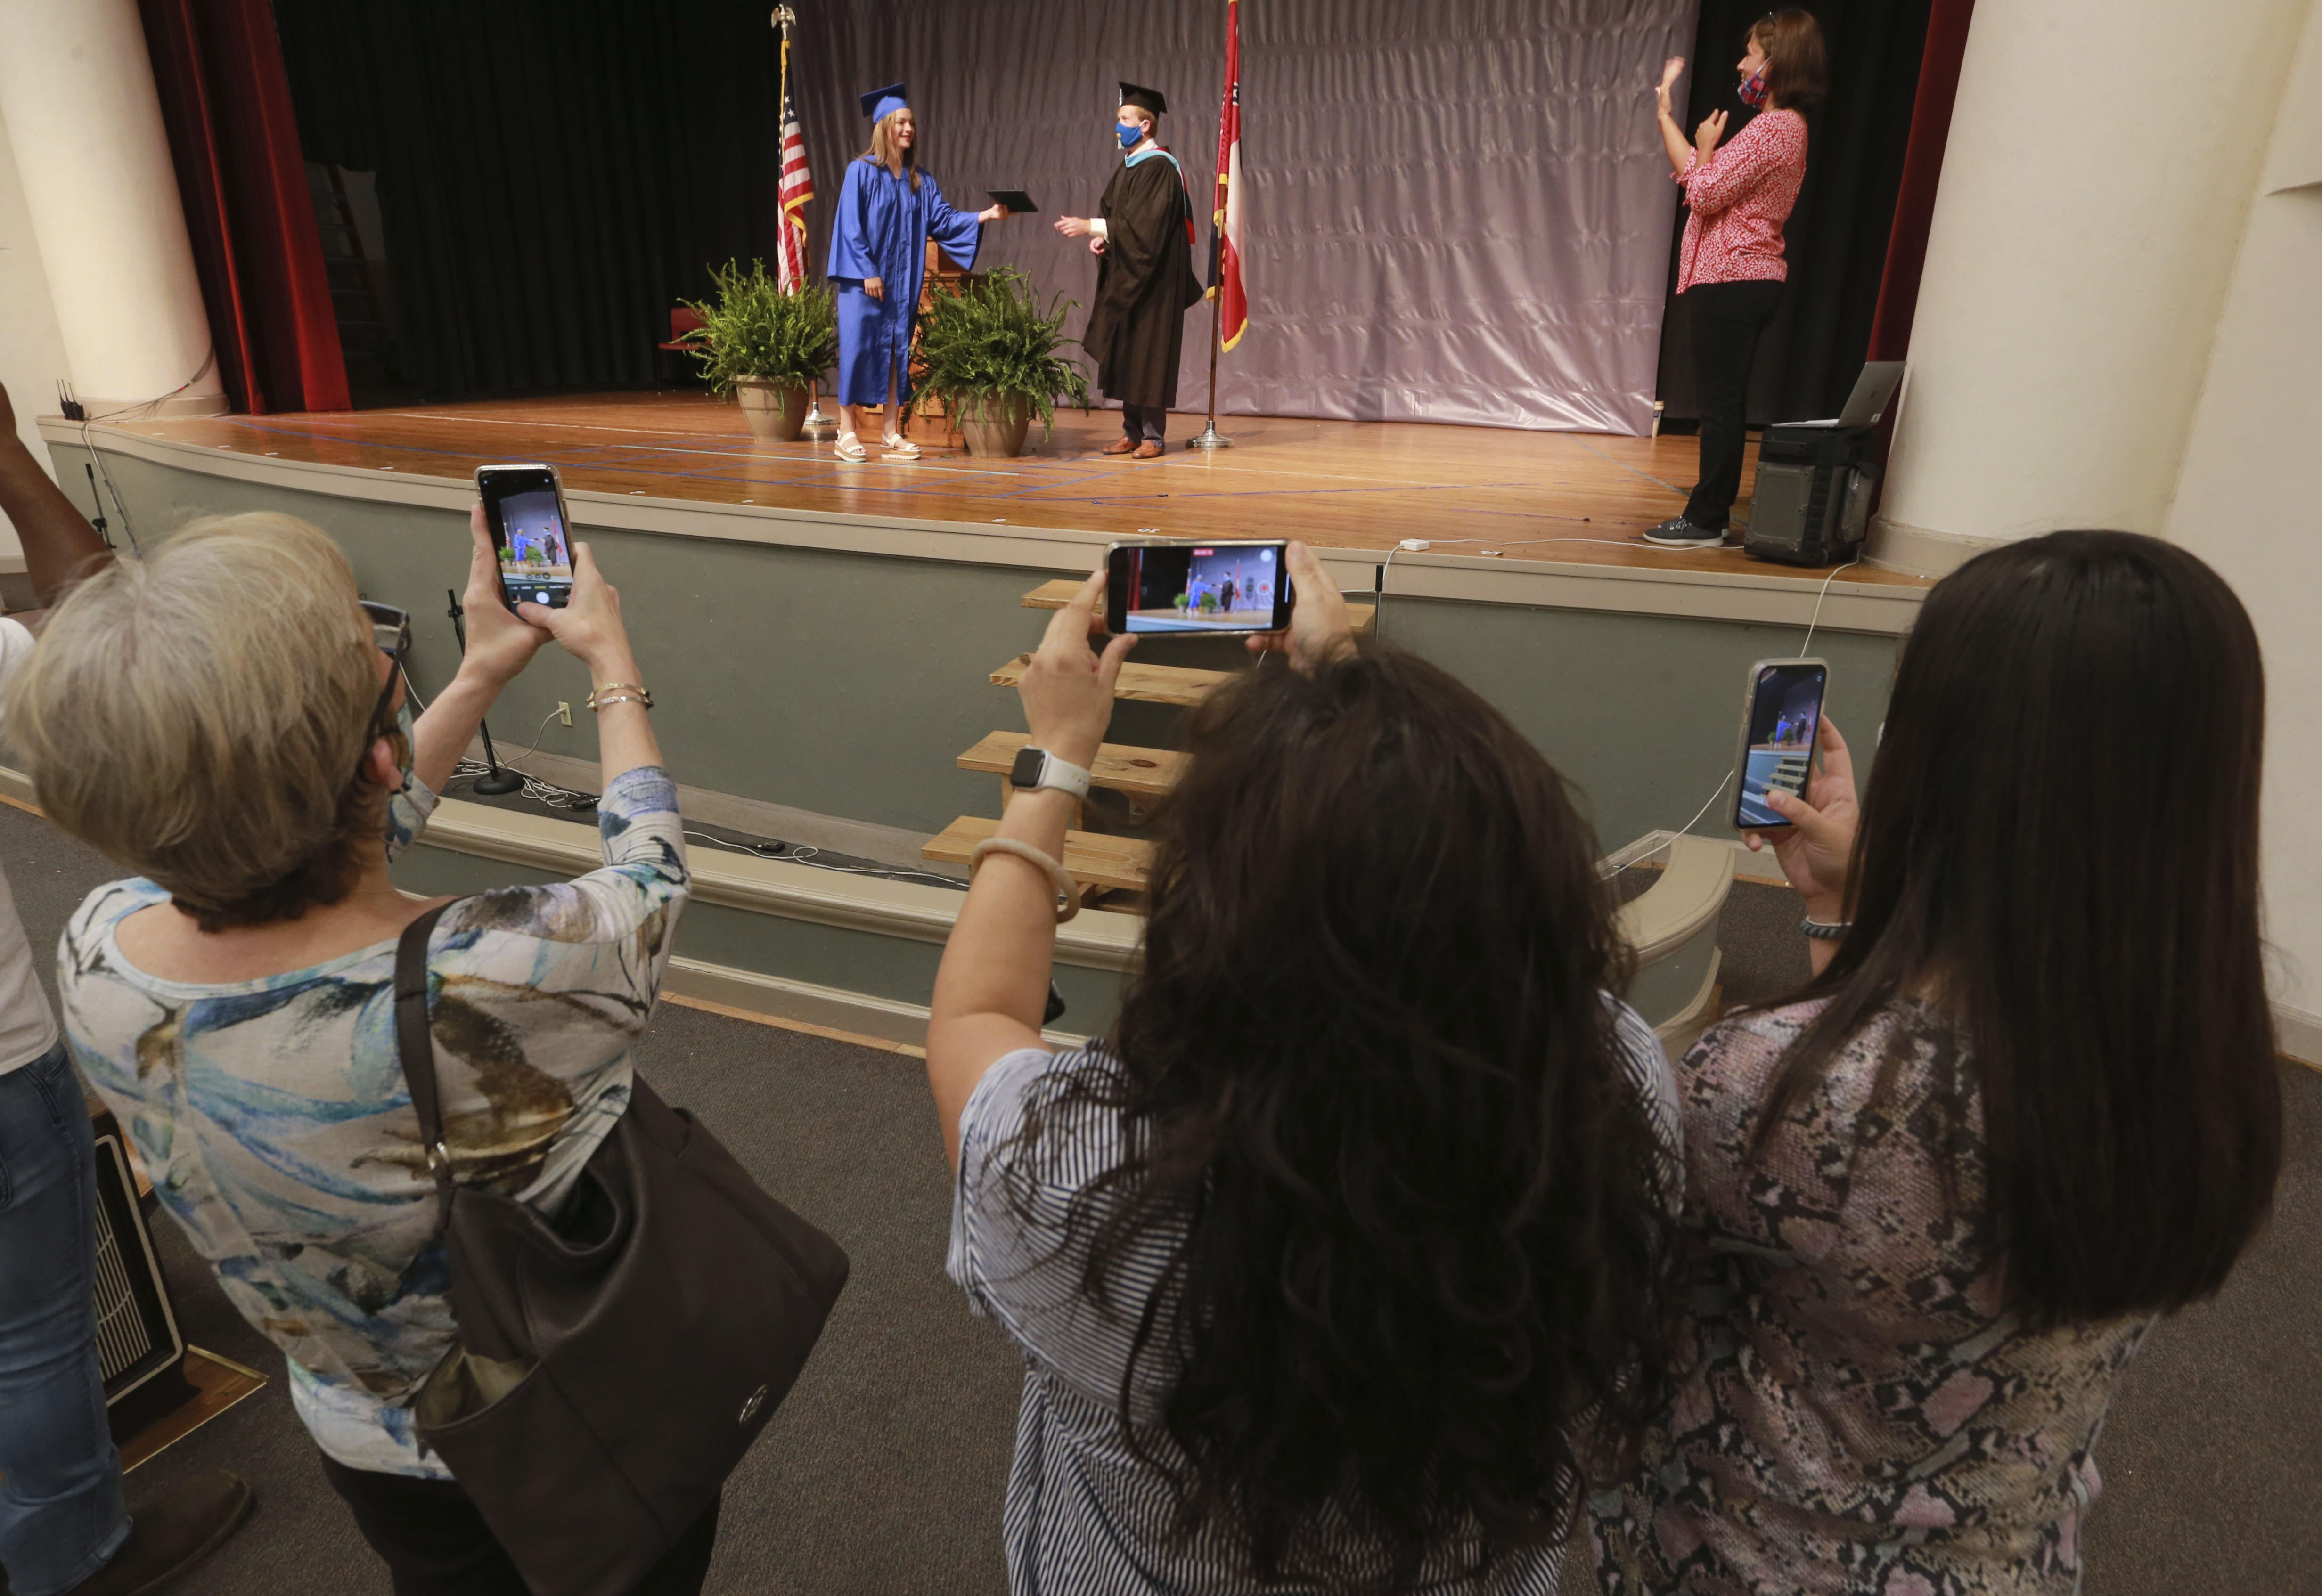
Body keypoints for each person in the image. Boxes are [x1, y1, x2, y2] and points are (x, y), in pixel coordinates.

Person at [926, 545, 1684, 1593]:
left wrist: (1053, 756)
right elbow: (1455, 918)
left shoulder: (1074, 1176)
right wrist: (1353, 702)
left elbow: (976, 1013)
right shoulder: (1611, 1087)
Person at [10, 507, 704, 1595]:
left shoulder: (102, 947)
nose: (384, 654)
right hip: (559, 1427)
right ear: (382, 753)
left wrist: (476, 674)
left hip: (364, 1438)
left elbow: (294, 832)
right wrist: (613, 663)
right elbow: (649, 881)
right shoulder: (493, 975)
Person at [1591, 531, 2285, 1594]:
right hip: (2010, 1556)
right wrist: (1836, 912)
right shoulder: (2207, 1068)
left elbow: (1623, 1317)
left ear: (1946, 757)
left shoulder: (1768, 1084)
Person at [0, 383, 253, 1596]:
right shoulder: (114, 940)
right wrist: (7, 460)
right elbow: (116, 659)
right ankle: (75, 1560)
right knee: (31, 1337)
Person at [1643, 9, 1827, 548]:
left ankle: (1706, 518)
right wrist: (1665, 119)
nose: (1741, 62)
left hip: (1734, 276)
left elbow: (1701, 191)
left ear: (1776, 61)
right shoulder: (1775, 127)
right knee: (1718, 400)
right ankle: (1708, 513)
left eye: (1750, 52)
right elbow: (1702, 181)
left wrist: (1701, 147)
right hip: (1734, 277)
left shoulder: (1776, 127)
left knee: (1719, 404)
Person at [828, 82, 1011, 464]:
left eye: (911, 123)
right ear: (883, 127)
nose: (909, 129)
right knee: (858, 349)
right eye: (901, 123)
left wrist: (985, 215)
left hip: (901, 284)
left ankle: (890, 433)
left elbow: (942, 219)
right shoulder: (860, 173)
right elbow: (850, 226)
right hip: (865, 283)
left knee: (897, 353)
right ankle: (845, 432)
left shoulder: (920, 181)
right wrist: (867, 271)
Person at [1055, 83, 1206, 459]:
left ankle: (1154, 437)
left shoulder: (1160, 168)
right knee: (1130, 354)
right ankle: (1132, 433)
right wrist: (1104, 240)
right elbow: (1118, 218)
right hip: (1131, 275)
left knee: (1150, 356)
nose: (1117, 127)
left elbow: (1145, 228)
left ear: (1145, 127)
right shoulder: (1129, 168)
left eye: (1124, 120)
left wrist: (1092, 226)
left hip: (1155, 284)